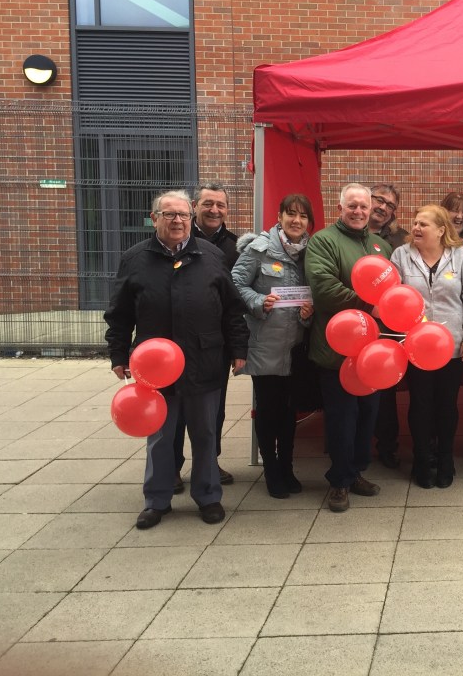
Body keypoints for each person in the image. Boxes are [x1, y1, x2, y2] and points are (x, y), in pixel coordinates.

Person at [105, 190, 247, 530]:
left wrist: (239, 349)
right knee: (160, 437)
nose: (178, 221)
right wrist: (118, 353)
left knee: (205, 434)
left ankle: (208, 496)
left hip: (205, 360)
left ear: (190, 217)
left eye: (183, 214)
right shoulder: (135, 259)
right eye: (169, 214)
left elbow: (232, 309)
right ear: (155, 218)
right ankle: (157, 500)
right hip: (154, 369)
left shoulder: (211, 256)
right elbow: (119, 313)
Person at [305, 183, 391, 512]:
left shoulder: (381, 246)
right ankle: (339, 481)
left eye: (363, 206)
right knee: (342, 419)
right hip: (336, 352)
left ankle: (356, 473)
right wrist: (369, 306)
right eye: (352, 205)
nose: (358, 211)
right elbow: (324, 288)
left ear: (371, 210)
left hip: (372, 352)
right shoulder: (323, 241)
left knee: (367, 416)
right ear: (339, 208)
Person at [391, 205, 463, 488]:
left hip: (450, 345)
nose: (416, 228)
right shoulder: (401, 255)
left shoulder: (461, 255)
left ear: (441, 230)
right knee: (420, 404)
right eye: (415, 223)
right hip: (414, 345)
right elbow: (392, 296)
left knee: (446, 405)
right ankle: (421, 460)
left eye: (424, 224)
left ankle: (445, 459)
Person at [231, 194, 315, 498]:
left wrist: (308, 314)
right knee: (268, 411)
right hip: (266, 345)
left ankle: (287, 467)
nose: (296, 220)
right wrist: (258, 301)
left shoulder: (312, 253)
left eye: (302, 216)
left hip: (296, 348)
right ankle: (271, 471)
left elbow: (314, 293)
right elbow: (235, 283)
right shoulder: (259, 249)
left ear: (309, 222)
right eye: (290, 214)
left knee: (290, 411)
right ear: (279, 217)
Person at [173, 183, 241, 490]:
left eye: (220, 205)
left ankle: (209, 463)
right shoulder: (176, 240)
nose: (215, 210)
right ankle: (172, 467)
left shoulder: (235, 247)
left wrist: (238, 347)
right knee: (174, 409)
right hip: (175, 343)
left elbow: (235, 303)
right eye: (208, 204)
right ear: (194, 207)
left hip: (215, 344)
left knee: (214, 409)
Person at [368, 183, 408, 469]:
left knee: (385, 389)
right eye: (379, 200)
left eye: (390, 205)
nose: (383, 207)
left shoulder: (401, 240)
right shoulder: (344, 233)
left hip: (387, 324)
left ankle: (387, 446)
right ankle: (348, 445)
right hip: (351, 321)